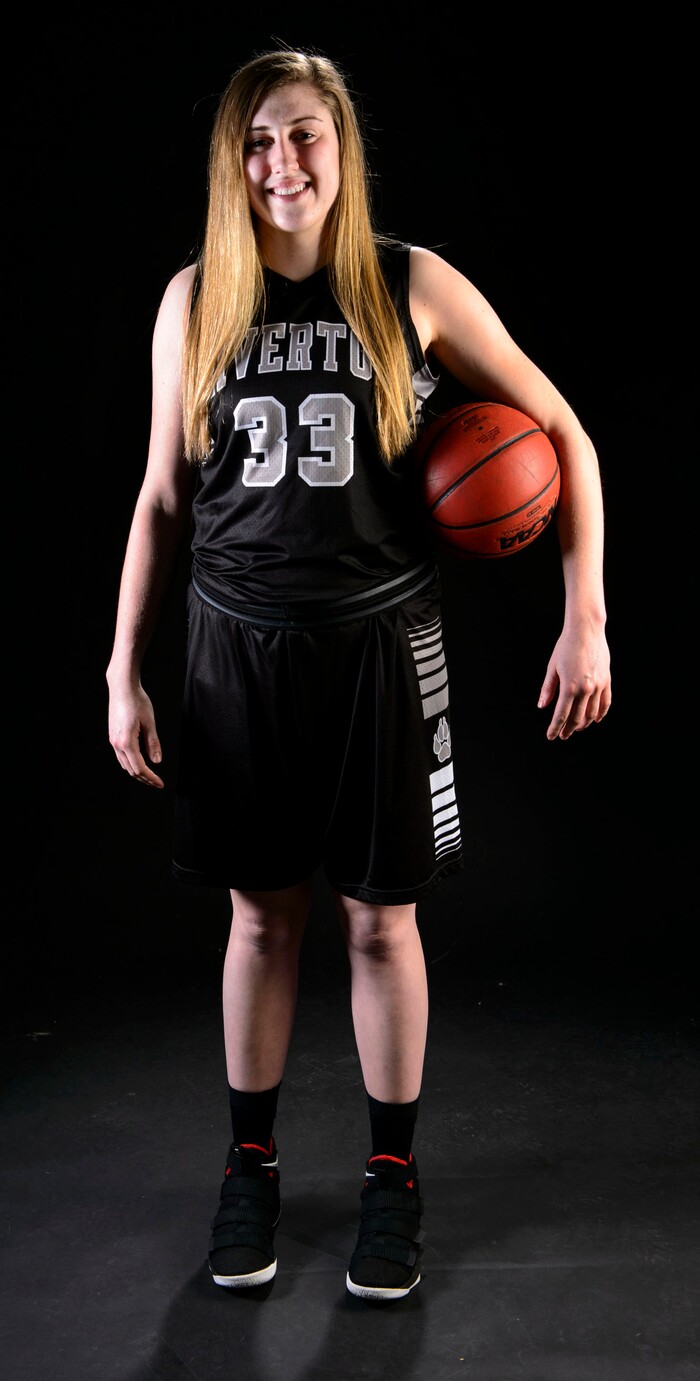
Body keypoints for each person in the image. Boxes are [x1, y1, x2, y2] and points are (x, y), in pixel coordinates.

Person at [106, 46, 611, 1304]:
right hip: (234, 646)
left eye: (305, 135)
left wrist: (586, 617)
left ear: (343, 147)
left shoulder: (409, 282)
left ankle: (393, 1177)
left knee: (382, 922)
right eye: (258, 140)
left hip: (381, 645)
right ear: (232, 161)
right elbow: (162, 498)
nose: (283, 162)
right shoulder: (195, 297)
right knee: (259, 917)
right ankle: (251, 1167)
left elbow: (565, 434)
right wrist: (122, 668)